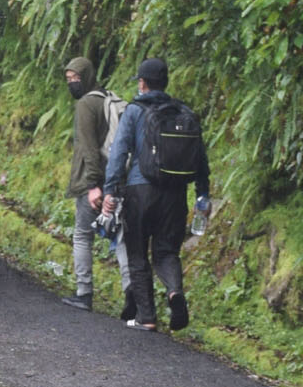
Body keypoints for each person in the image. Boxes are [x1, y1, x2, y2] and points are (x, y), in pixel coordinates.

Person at [99, 57, 212, 332]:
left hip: (140, 192)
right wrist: (202, 195)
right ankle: (174, 292)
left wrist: (110, 190)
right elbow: (201, 159)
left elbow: (119, 152)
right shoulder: (182, 112)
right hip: (175, 196)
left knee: (137, 254)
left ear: (142, 83)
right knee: (166, 252)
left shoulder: (135, 111)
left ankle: (146, 317)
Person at [61, 55, 129, 314]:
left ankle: (84, 292)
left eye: (76, 78)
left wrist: (92, 185)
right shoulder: (108, 99)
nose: (72, 83)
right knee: (121, 238)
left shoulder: (86, 105)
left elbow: (89, 148)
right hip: (116, 180)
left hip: (94, 183)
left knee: (82, 235)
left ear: (86, 76)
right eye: (68, 79)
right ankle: (131, 295)